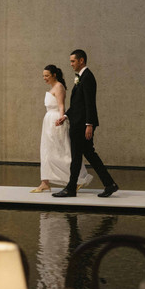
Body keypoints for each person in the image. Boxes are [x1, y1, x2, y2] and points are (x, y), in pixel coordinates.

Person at [52, 49, 119, 198]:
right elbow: (78, 104)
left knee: (77, 156)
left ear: (81, 60)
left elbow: (90, 103)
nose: (71, 64)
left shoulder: (87, 77)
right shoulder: (82, 77)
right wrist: (66, 116)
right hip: (78, 122)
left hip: (81, 125)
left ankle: (71, 188)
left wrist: (89, 124)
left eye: (73, 61)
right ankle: (109, 184)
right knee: (89, 154)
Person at [32, 65, 92, 193]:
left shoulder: (59, 87)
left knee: (62, 151)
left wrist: (62, 120)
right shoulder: (53, 87)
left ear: (54, 75)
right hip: (48, 121)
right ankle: (45, 182)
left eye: (47, 75)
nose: (44, 78)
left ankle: (77, 179)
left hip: (55, 121)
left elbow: (61, 106)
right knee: (46, 150)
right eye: (43, 76)